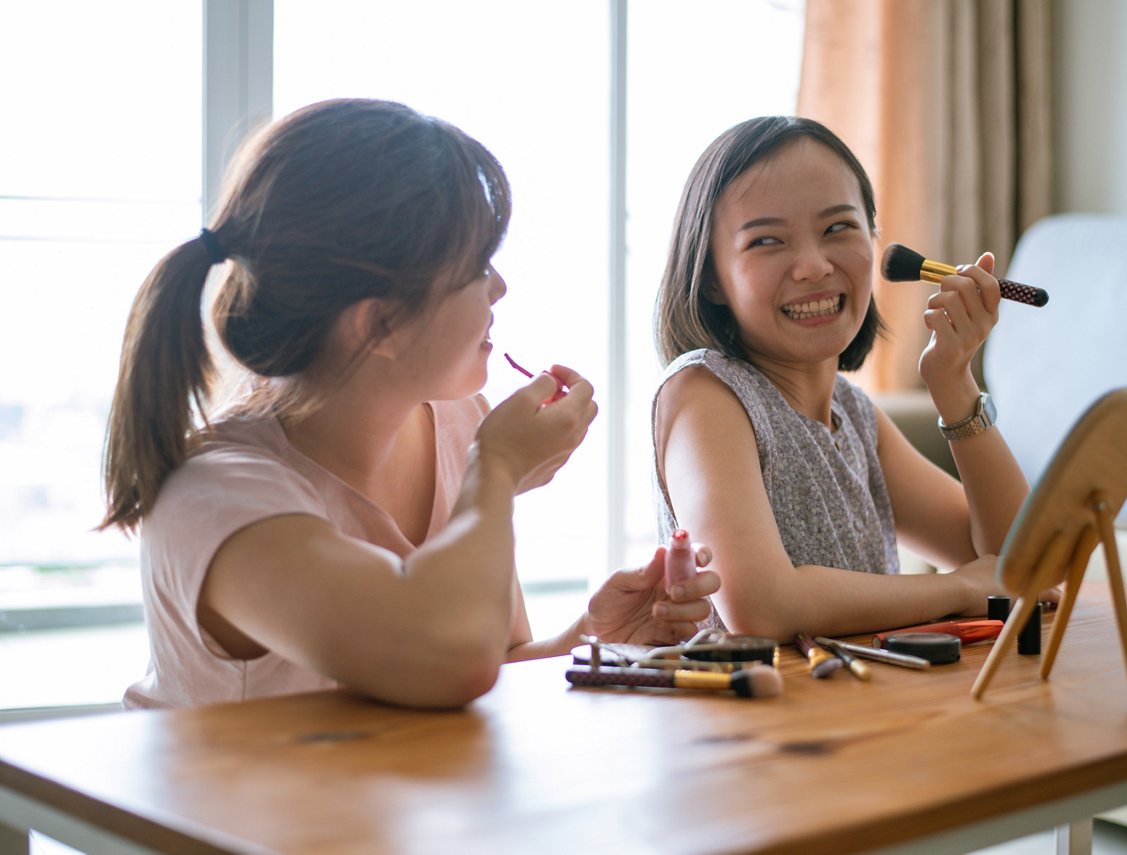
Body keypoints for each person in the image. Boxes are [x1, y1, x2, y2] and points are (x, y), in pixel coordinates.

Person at [100, 98, 718, 711]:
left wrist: (592, 641)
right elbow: (449, 662)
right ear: (382, 323)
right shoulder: (219, 496)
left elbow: (485, 663)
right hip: (230, 813)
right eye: (477, 267)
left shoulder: (458, 424)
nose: (499, 287)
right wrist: (496, 472)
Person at [651, 115, 1055, 641]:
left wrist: (954, 382)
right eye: (767, 241)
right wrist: (960, 589)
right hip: (759, 716)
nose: (814, 266)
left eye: (837, 228)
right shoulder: (704, 394)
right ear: (710, 279)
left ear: (874, 239)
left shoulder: (855, 414)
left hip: (864, 707)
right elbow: (762, 607)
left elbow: (1021, 561)